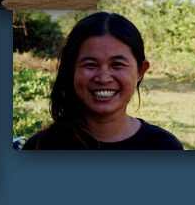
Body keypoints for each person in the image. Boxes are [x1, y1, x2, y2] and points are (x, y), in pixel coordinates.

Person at [22, 12, 183, 150]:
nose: (103, 78)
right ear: (71, 70)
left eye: (117, 64)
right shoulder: (41, 147)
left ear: (141, 71)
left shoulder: (164, 147)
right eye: (90, 65)